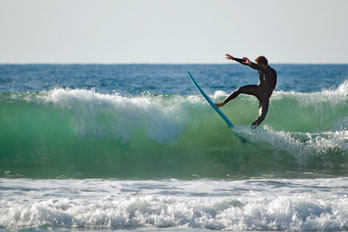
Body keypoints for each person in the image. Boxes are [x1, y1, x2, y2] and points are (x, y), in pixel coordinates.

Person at [215, 54, 277, 129]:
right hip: (258, 89)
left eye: (258, 65)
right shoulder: (260, 68)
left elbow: (259, 67)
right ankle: (222, 103)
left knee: (262, 116)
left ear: (263, 64)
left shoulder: (271, 71)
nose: (257, 67)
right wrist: (234, 58)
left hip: (265, 95)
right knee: (240, 90)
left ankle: (252, 129)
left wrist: (251, 63)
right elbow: (248, 63)